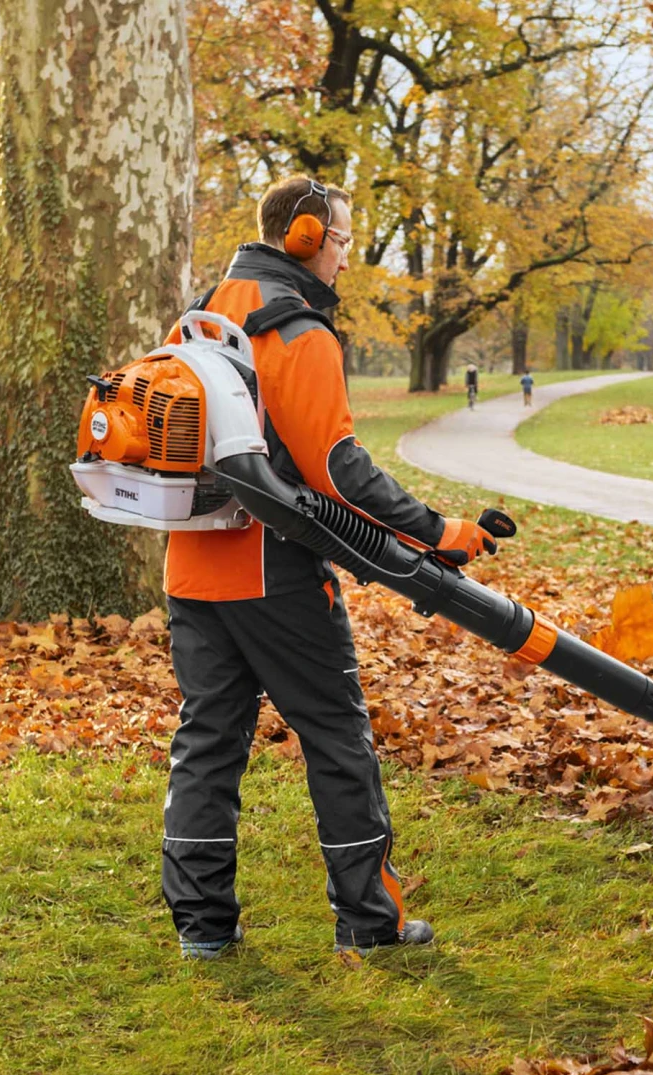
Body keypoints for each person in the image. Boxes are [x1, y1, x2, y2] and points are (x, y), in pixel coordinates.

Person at [159, 176, 498, 960]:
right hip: (272, 570)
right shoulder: (298, 332)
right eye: (343, 241)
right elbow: (341, 473)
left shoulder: (202, 316)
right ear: (308, 236)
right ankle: (369, 923)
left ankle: (203, 928)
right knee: (337, 736)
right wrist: (439, 531)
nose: (346, 259)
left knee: (208, 740)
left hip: (190, 563)